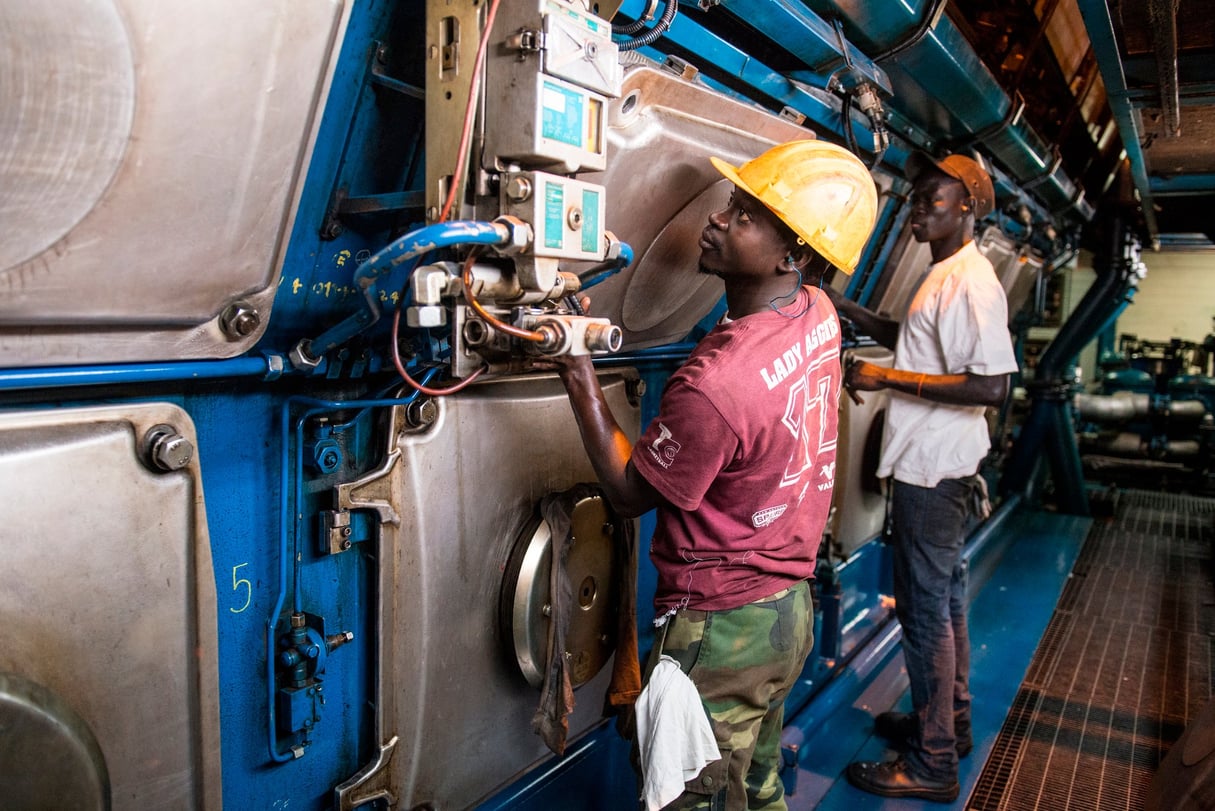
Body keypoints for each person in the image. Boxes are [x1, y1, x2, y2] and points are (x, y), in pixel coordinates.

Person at [538, 140, 877, 810]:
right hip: (787, 611)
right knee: (756, 782)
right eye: (731, 204)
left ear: (791, 256)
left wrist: (579, 372)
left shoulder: (717, 385)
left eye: (746, 216)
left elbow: (629, 493)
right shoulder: (818, 313)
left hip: (720, 630)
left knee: (691, 799)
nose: (718, 220)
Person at [832, 152, 1018, 803]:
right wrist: (841, 306)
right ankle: (951, 724)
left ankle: (933, 761)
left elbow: (989, 384)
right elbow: (912, 340)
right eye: (912, 200)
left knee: (923, 614)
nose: (916, 209)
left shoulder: (970, 281)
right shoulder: (941, 276)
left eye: (930, 200)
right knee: (943, 605)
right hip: (939, 469)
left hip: (932, 475)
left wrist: (883, 377)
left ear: (965, 206)